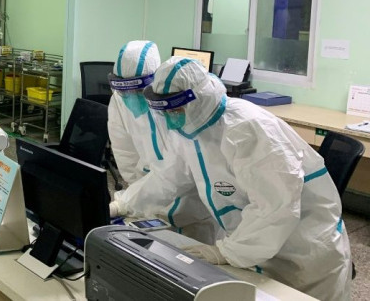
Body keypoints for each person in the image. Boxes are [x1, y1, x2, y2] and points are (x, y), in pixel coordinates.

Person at [141, 56, 352, 301]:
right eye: (165, 111)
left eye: (175, 109)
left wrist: (226, 252)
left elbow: (274, 208)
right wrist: (124, 203)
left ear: (197, 100)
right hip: (257, 245)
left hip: (302, 251)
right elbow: (169, 177)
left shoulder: (249, 129)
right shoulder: (192, 129)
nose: (171, 118)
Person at [107, 41, 218, 244]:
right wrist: (136, 199)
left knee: (194, 264)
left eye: (138, 90)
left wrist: (125, 202)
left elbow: (177, 172)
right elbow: (125, 154)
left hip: (191, 207)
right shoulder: (119, 101)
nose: (130, 97)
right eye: (125, 91)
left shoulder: (176, 106)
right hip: (147, 201)